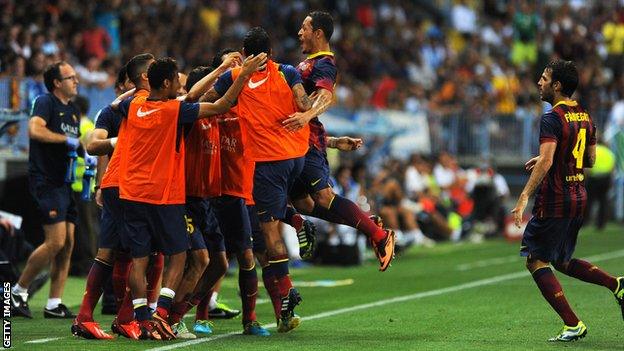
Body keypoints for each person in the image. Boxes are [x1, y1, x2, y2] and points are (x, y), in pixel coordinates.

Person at [117, 55, 265, 340]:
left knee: (140, 260)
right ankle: (163, 314)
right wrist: (243, 73)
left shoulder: (133, 105)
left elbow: (116, 103)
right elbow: (221, 104)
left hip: (133, 193)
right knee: (181, 255)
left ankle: (144, 318)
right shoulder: (175, 111)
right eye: (176, 80)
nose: (180, 85)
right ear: (166, 83)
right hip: (163, 195)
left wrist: (140, 84)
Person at [511, 59, 624, 342]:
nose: (539, 82)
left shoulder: (551, 117)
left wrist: (524, 194)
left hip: (556, 198)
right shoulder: (585, 116)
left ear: (557, 86)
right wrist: (554, 155)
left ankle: (573, 324)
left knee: (536, 260)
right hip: (578, 196)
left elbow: (548, 160)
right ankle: (617, 284)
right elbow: (590, 159)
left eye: (545, 78)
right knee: (561, 260)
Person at [209, 27, 312, 332]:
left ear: (245, 52)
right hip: (295, 158)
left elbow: (205, 100)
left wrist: (231, 72)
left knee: (266, 240)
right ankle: (296, 219)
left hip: (264, 166)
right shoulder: (288, 71)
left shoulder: (235, 78)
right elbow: (303, 105)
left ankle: (286, 288)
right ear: (271, 51)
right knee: (264, 243)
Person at [283, 11, 395, 271]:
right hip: (298, 142)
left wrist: (307, 115)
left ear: (318, 33)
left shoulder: (324, 64)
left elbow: (325, 97)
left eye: (304, 28)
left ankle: (379, 235)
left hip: (307, 143)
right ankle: (367, 223)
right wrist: (332, 141)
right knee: (302, 203)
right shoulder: (305, 64)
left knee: (323, 197)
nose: (299, 33)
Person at [11, 61, 81, 319]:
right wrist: (67, 140)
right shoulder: (45, 102)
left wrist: (85, 154)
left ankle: (53, 303)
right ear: (56, 83)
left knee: (68, 244)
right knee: (55, 241)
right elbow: (34, 130)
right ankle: (17, 291)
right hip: (46, 180)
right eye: (70, 77)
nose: (76, 81)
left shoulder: (72, 110)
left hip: (64, 183)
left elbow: (72, 146)